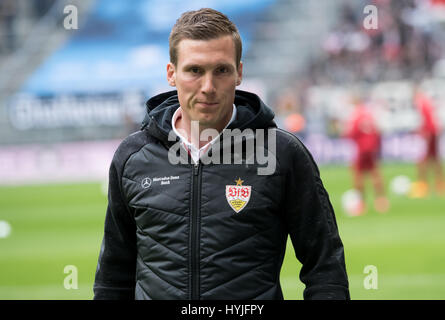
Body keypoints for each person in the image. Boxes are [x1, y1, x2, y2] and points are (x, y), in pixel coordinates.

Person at [93, 8, 349, 300]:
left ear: (239, 73)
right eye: (194, 70)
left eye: (221, 70)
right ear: (171, 74)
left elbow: (326, 270)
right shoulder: (132, 156)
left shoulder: (282, 154)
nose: (208, 87)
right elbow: (113, 277)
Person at [344, 95, 389, 215]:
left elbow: (350, 133)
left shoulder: (355, 115)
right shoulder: (369, 114)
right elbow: (378, 131)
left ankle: (361, 203)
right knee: (375, 172)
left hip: (362, 149)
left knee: (358, 175)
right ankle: (381, 201)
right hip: (372, 147)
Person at [410, 87, 444, 198]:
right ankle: (440, 184)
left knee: (422, 160)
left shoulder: (421, 103)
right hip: (433, 132)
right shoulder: (427, 102)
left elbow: (425, 119)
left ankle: (422, 186)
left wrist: (424, 132)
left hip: (429, 133)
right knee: (435, 159)